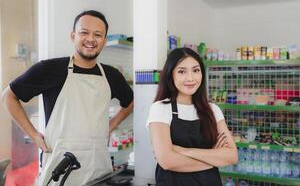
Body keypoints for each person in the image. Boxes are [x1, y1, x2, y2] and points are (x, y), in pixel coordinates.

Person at [1, 10, 133, 185]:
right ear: (73, 36)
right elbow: (9, 96)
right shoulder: (49, 69)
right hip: (59, 166)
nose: (91, 39)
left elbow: (130, 102)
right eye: (84, 32)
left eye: (98, 34)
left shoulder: (111, 75)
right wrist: (33, 135)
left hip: (98, 167)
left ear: (104, 41)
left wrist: (111, 125)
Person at [146, 47, 238, 186]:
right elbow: (167, 161)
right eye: (182, 71)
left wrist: (183, 151)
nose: (190, 78)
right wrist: (213, 158)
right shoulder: (160, 108)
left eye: (196, 70)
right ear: (171, 75)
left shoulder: (213, 110)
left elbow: (231, 156)